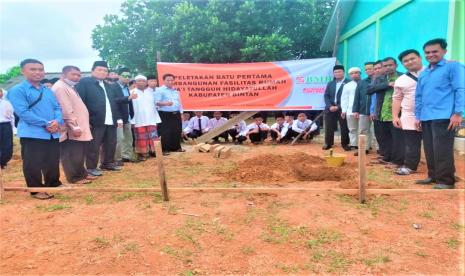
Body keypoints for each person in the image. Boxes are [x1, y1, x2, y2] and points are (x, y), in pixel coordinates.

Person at [8, 59, 63, 200]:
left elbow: (57, 107)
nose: (38, 72)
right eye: (33, 69)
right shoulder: (17, 90)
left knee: (52, 161)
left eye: (40, 69)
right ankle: (36, 189)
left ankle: (53, 183)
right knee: (33, 163)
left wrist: (57, 121)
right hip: (32, 133)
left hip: (52, 133)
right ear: (23, 71)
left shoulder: (47, 90)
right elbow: (23, 112)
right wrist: (46, 124)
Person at [415, 38, 464, 189]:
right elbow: (419, 96)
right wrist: (417, 116)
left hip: (444, 116)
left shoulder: (453, 66)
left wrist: (458, 113)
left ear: (444, 51)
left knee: (442, 149)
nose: (431, 55)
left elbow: (461, 89)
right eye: (427, 52)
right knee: (430, 148)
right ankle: (433, 176)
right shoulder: (424, 73)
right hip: (426, 116)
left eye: (435, 51)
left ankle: (446, 181)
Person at [76, 61, 123, 176]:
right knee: (94, 145)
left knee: (111, 143)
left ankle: (107, 163)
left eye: (105, 70)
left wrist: (118, 118)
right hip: (94, 120)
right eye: (100, 70)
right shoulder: (84, 82)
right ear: (92, 71)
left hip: (110, 119)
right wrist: (85, 120)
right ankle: (91, 167)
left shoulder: (108, 85)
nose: (103, 72)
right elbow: (80, 102)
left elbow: (113, 103)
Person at [52, 66, 94, 184]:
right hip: (71, 127)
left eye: (78, 75)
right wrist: (74, 126)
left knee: (79, 152)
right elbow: (66, 109)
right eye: (73, 74)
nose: (76, 77)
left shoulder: (69, 86)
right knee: (71, 153)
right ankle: (74, 177)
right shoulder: (60, 87)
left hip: (79, 125)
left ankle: (82, 174)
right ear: (64, 75)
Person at [392, 49, 425, 176]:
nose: (409, 62)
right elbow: (397, 98)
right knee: (411, 143)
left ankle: (441, 170)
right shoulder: (401, 79)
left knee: (434, 144)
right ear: (402, 64)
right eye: (405, 61)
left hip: (431, 115)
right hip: (409, 116)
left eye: (412, 58)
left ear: (420, 58)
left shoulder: (431, 72)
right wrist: (395, 116)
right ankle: (410, 166)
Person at [367, 57, 404, 166]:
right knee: (385, 138)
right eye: (385, 66)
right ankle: (387, 157)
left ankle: (397, 161)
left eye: (390, 65)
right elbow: (369, 90)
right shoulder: (380, 79)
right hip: (381, 113)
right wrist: (387, 85)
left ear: (396, 65)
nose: (388, 67)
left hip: (397, 114)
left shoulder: (403, 77)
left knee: (397, 138)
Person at [130, 75, 162, 160]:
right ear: (135, 82)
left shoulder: (151, 92)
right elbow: (130, 108)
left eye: (143, 81)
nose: (141, 82)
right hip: (138, 119)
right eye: (139, 81)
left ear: (146, 82)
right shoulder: (132, 92)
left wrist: (156, 119)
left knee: (153, 136)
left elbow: (155, 105)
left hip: (151, 118)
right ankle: (143, 154)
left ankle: (154, 151)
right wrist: (132, 121)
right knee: (141, 137)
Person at [154, 73, 184, 153]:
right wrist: (165, 103)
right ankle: (165, 149)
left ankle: (176, 147)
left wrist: (181, 113)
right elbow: (156, 102)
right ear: (164, 80)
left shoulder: (175, 91)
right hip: (164, 114)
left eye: (172, 80)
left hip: (176, 113)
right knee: (165, 132)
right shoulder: (159, 90)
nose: (170, 82)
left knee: (177, 130)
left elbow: (179, 103)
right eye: (168, 80)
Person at [113, 67, 138, 164]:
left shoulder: (126, 88)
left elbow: (128, 102)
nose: (127, 78)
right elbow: (114, 101)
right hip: (118, 117)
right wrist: (128, 97)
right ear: (119, 76)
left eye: (129, 76)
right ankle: (117, 159)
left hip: (127, 117)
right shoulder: (113, 87)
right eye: (125, 76)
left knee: (128, 138)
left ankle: (127, 156)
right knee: (119, 139)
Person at [323, 65, 350, 151]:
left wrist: (338, 107)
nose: (337, 73)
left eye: (339, 71)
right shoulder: (330, 83)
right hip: (330, 108)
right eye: (335, 72)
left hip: (342, 108)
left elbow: (349, 98)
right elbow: (326, 95)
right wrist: (330, 106)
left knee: (344, 127)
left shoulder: (349, 83)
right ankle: (328, 143)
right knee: (329, 126)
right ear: (333, 74)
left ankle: (345, 144)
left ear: (343, 72)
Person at [352, 62, 375, 155]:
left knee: (377, 131)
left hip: (377, 111)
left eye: (370, 68)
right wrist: (355, 110)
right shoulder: (362, 82)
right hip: (363, 110)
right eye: (366, 69)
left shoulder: (380, 80)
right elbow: (356, 97)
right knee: (362, 130)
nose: (368, 71)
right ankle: (364, 148)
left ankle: (379, 149)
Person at [341, 67, 362, 149]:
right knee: (352, 129)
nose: (354, 75)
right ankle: (354, 144)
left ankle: (365, 145)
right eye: (352, 73)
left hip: (363, 110)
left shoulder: (365, 83)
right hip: (350, 111)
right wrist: (344, 110)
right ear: (349, 75)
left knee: (363, 129)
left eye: (356, 73)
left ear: (360, 73)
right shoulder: (347, 86)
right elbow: (344, 98)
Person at [0, 88, 14, 169]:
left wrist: (12, 128)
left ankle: (3, 161)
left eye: (0, 91)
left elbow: (11, 116)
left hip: (5, 125)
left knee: (7, 145)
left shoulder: (6, 103)